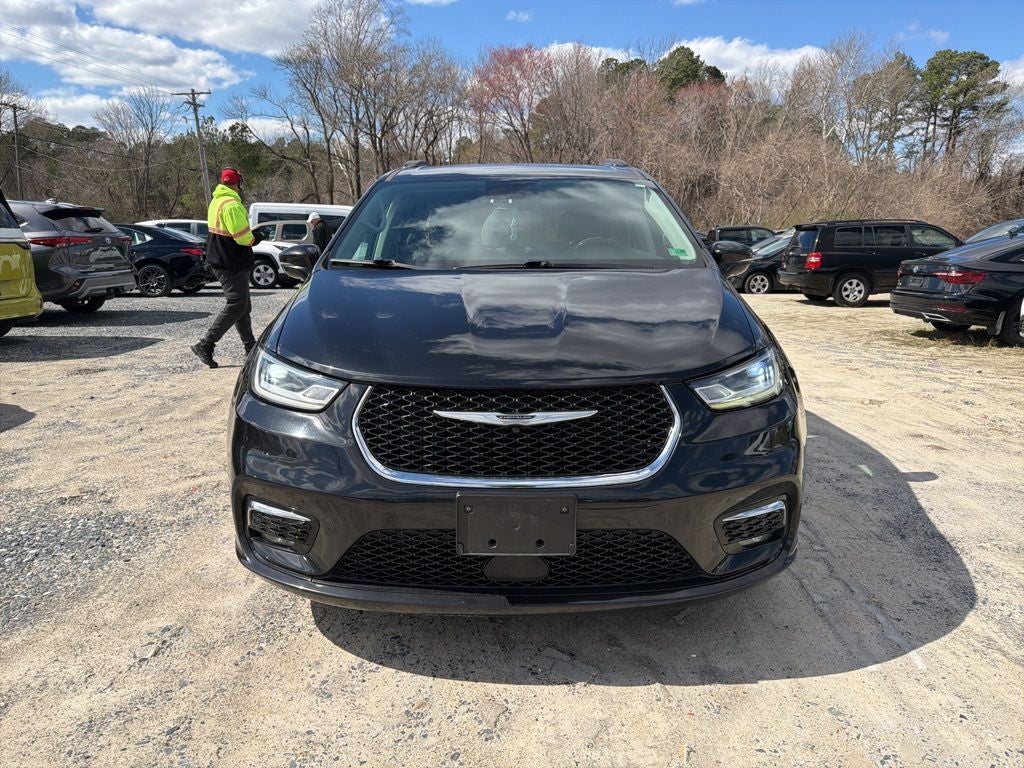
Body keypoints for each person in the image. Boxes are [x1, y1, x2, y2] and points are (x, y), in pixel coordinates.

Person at [191, 168, 262, 368]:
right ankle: (206, 344)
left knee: (243, 306)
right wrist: (256, 238)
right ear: (238, 183)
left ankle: (250, 347)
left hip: (223, 259)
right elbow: (243, 237)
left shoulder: (216, 201)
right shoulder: (232, 205)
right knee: (237, 304)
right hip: (231, 262)